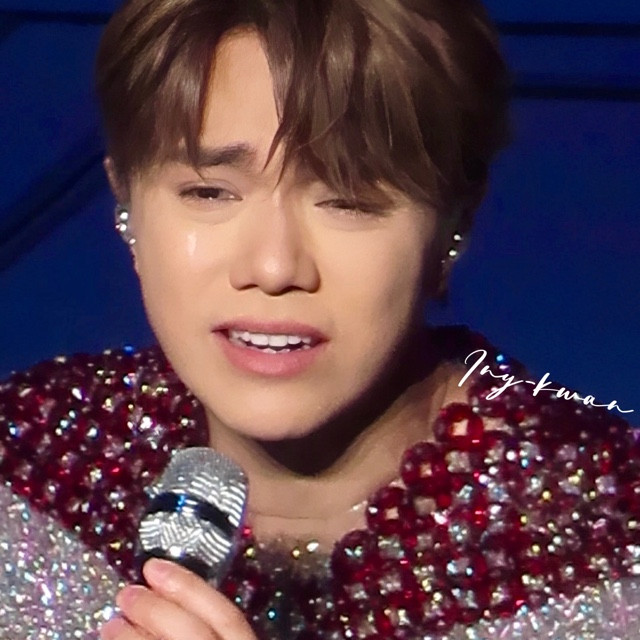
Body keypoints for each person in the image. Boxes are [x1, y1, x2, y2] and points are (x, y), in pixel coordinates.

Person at [0, 0, 639, 638]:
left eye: (348, 200)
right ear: (127, 204)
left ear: (454, 223)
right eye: (210, 192)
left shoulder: (608, 537)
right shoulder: (27, 460)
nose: (275, 266)